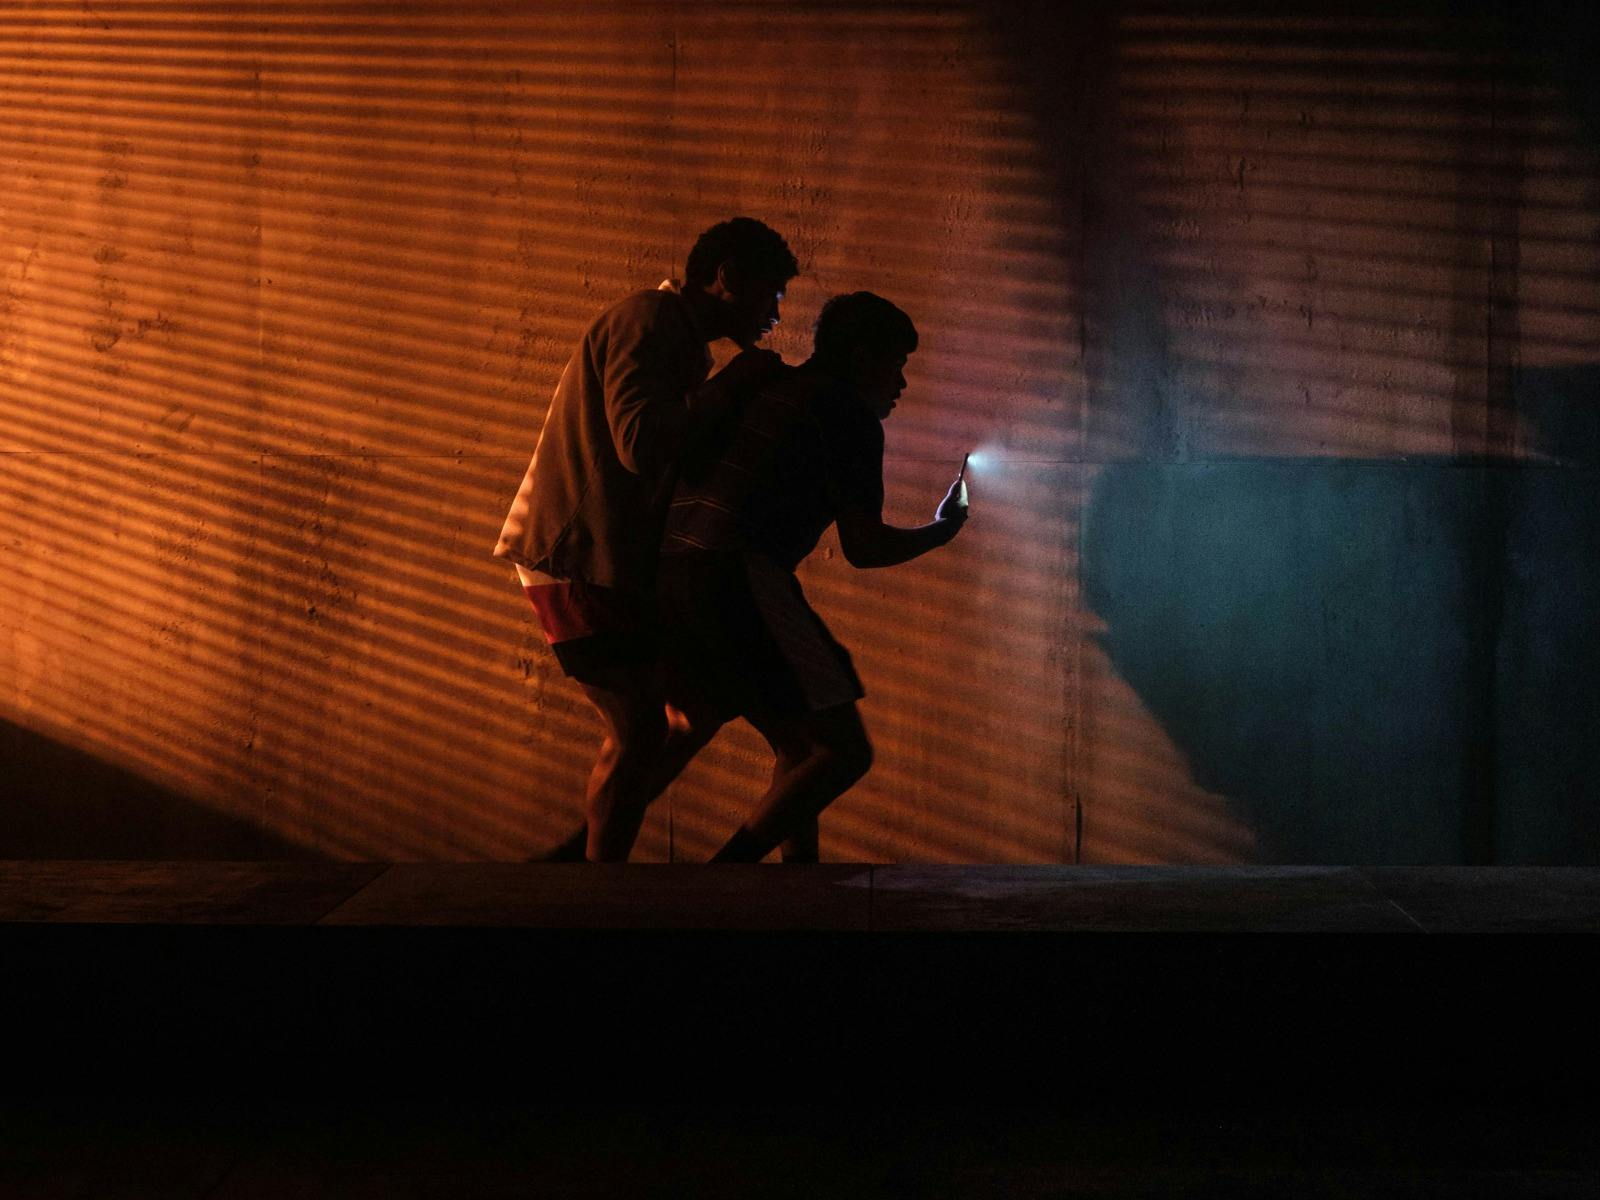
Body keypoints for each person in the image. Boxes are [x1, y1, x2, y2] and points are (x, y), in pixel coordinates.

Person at [495, 217, 799, 862]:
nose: (776, 314)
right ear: (728, 278)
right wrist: (732, 388)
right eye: (772, 293)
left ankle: (581, 858)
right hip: (577, 559)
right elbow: (640, 444)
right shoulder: (651, 320)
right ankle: (600, 892)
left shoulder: (678, 337)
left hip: (609, 563)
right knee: (637, 733)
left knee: (696, 707)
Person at [657, 291, 969, 862]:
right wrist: (940, 531)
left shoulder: (774, 391)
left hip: (672, 573)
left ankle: (800, 894)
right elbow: (865, 547)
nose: (900, 385)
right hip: (734, 571)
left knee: (800, 747)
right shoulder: (845, 412)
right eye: (895, 366)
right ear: (860, 357)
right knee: (846, 751)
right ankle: (723, 878)